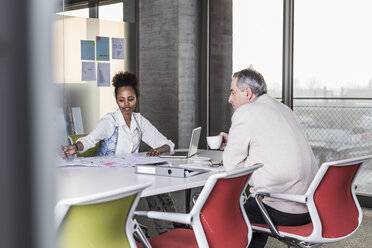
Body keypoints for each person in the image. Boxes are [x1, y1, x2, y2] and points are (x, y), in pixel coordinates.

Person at [61, 71, 177, 234]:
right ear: (116, 100)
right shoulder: (110, 121)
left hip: (129, 174)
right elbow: (90, 139)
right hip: (108, 178)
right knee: (152, 186)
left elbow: (169, 144)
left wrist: (158, 149)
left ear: (136, 98)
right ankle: (161, 231)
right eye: (121, 100)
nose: (126, 104)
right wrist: (76, 146)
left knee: (158, 187)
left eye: (130, 99)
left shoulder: (139, 120)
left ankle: (169, 231)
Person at [219, 68, 318, 247]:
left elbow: (232, 169)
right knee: (252, 206)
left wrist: (233, 148)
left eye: (233, 92)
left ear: (247, 92)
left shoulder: (245, 112)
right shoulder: (283, 108)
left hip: (284, 209)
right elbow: (271, 147)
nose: (229, 99)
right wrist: (235, 142)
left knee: (225, 213)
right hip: (311, 206)